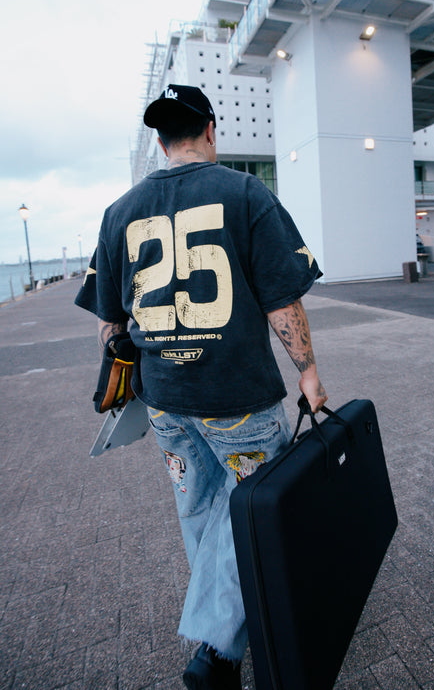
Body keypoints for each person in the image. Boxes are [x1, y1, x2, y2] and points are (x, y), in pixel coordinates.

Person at [76, 84, 327, 690]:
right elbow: (281, 299)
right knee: (247, 511)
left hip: (165, 403)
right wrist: (309, 371)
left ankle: (226, 642)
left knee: (200, 511)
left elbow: (112, 326)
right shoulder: (246, 194)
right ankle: (217, 651)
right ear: (211, 130)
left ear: (160, 141)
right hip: (240, 400)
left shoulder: (119, 212)